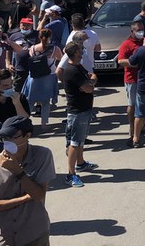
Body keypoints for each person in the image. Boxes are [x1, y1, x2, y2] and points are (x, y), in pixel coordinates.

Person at [0, 116, 55, 246]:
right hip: (5, 236)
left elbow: (38, 195)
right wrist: (23, 199)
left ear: (27, 136)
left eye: (12, 137)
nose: (7, 141)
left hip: (34, 234)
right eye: (4, 138)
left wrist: (17, 171)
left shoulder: (42, 155)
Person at [62, 41, 98, 188]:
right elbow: (89, 88)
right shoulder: (72, 70)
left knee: (81, 140)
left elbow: (90, 79)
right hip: (77, 112)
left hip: (84, 109)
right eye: (80, 49)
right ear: (76, 52)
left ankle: (81, 163)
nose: (83, 50)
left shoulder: (78, 67)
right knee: (74, 143)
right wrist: (92, 82)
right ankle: (71, 174)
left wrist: (91, 81)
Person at [116, 21, 145, 147]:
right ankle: (132, 129)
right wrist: (135, 64)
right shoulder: (126, 44)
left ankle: (142, 127)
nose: (141, 32)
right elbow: (121, 61)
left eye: (142, 29)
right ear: (132, 31)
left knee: (142, 105)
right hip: (132, 79)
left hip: (144, 79)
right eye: (138, 30)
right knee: (132, 105)